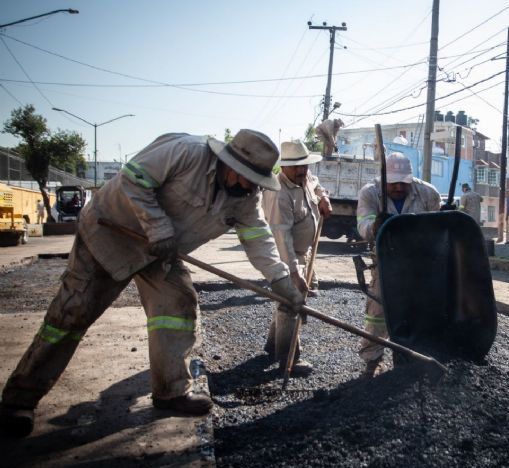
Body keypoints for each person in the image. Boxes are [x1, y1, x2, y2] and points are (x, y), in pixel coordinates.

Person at [0, 130, 304, 438]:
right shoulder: (186, 152)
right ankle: (18, 400)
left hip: (160, 254)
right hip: (111, 234)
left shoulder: (245, 197)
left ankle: (171, 391)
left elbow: (258, 239)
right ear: (229, 164)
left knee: (177, 307)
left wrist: (282, 284)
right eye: (247, 177)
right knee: (71, 314)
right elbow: (133, 178)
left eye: (256, 180)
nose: (251, 185)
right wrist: (158, 229)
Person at [356, 152, 441, 378]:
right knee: (377, 314)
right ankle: (372, 360)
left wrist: (444, 218)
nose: (399, 188)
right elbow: (363, 226)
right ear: (384, 180)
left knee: (419, 311)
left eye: (404, 182)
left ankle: (416, 357)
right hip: (385, 263)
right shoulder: (369, 194)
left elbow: (437, 227)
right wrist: (375, 227)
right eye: (393, 182)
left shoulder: (427, 193)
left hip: (419, 264)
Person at [262, 141, 333, 376]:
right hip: (285, 255)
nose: (302, 170)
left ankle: (273, 345)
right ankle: (288, 359)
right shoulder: (278, 193)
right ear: (283, 167)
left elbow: (316, 185)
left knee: (286, 301)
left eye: (304, 165)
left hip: (305, 251)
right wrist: (294, 271)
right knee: (291, 303)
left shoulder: (305, 177)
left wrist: (323, 198)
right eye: (296, 167)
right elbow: (282, 239)